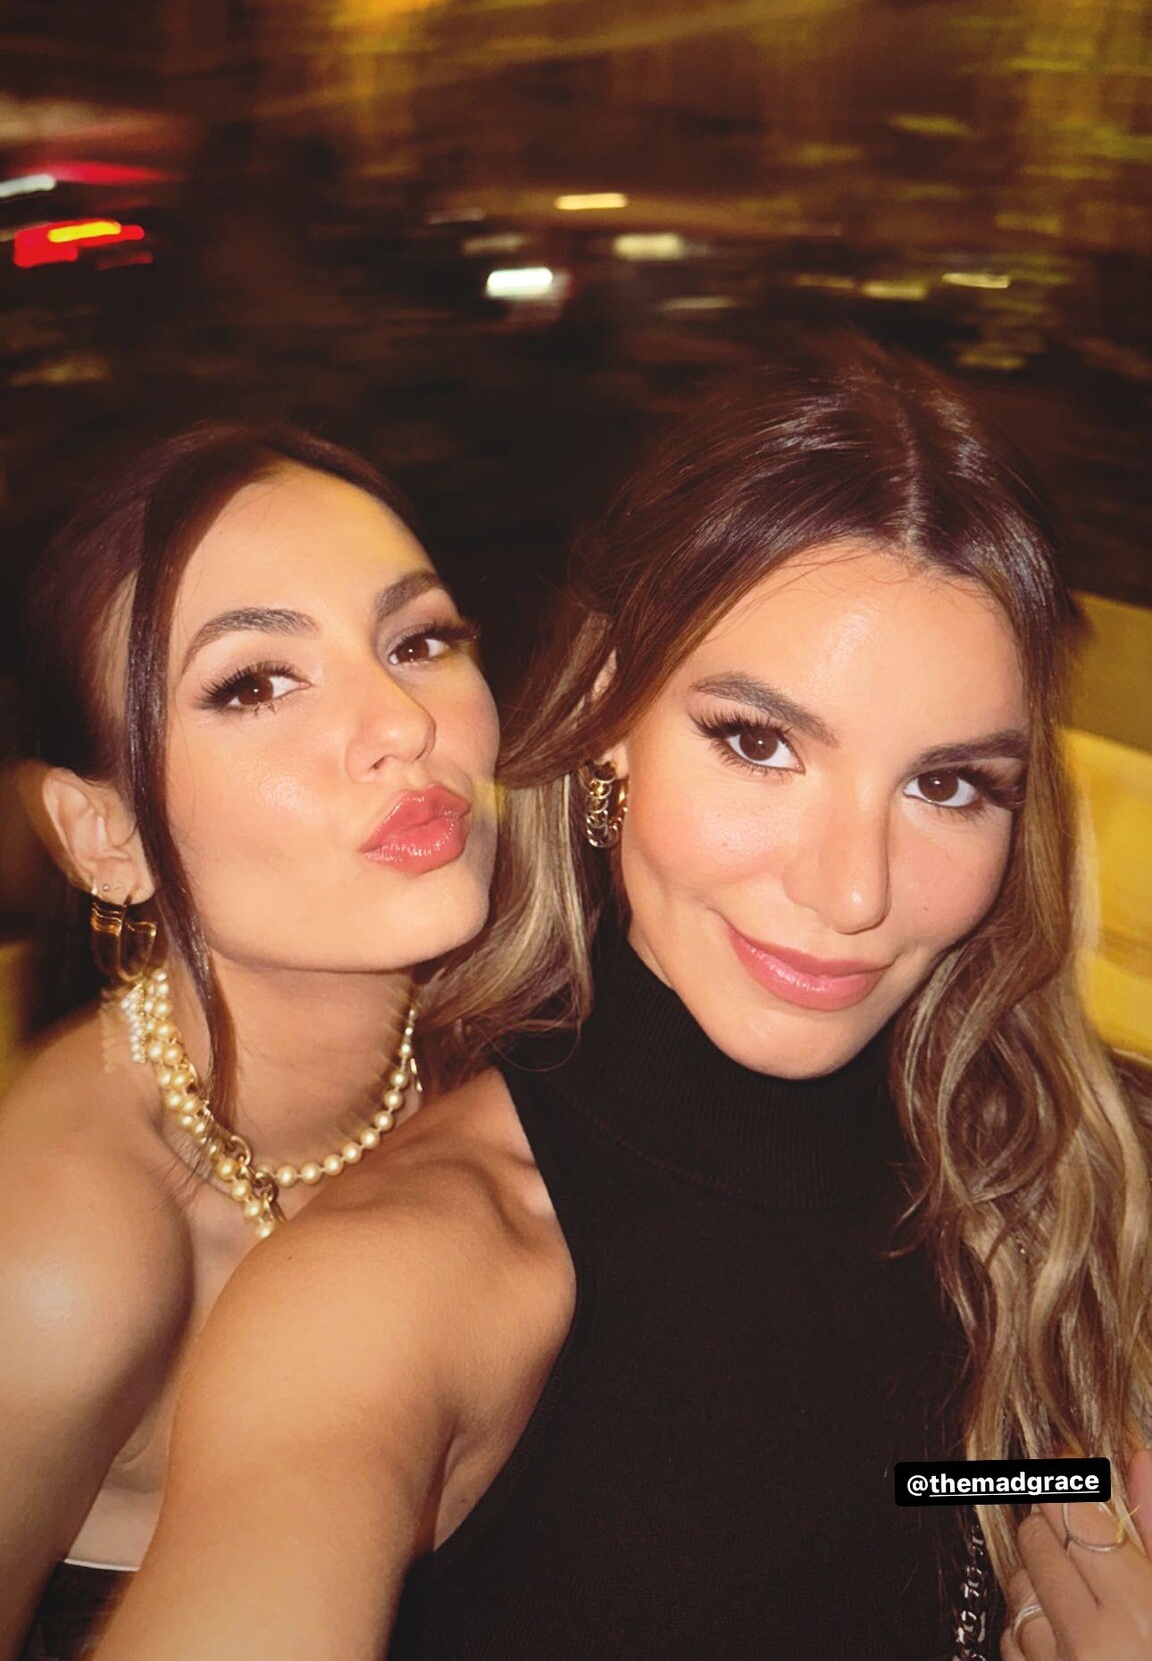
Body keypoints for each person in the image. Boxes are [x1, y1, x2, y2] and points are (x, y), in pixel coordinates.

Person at [93, 343, 1152, 1661]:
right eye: (759, 743)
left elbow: (900, 1486)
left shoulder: (1059, 1155)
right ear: (608, 720)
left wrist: (1069, 1508)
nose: (853, 891)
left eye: (945, 785)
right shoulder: (398, 1282)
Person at [0, 423, 511, 1661]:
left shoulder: (523, 1038)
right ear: (105, 833)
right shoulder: (60, 1256)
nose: (402, 721)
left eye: (419, 640)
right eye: (254, 683)